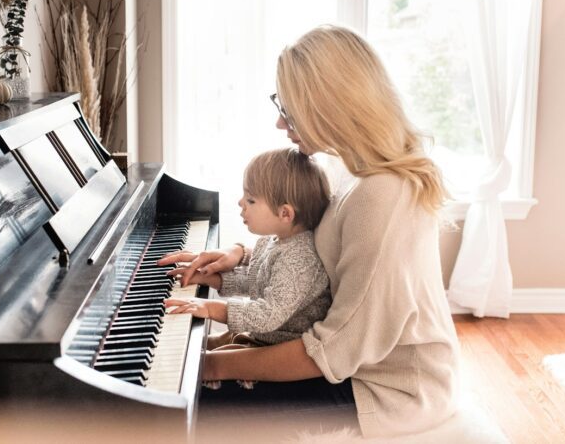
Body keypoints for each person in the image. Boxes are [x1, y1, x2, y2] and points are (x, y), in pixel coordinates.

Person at [159, 25, 460, 439]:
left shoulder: (381, 196)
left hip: (383, 389)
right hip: (346, 364)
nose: (280, 122)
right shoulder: (345, 168)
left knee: (186, 408)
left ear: (330, 106)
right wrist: (240, 255)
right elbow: (308, 253)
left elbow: (331, 351)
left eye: (290, 109)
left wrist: (206, 364)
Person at [164, 148, 332, 376]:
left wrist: (211, 307)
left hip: (277, 349)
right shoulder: (275, 240)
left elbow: (268, 315)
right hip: (265, 337)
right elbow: (258, 279)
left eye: (251, 199)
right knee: (185, 351)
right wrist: (211, 278)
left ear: (285, 214)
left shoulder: (300, 258)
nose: (240, 202)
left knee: (191, 368)